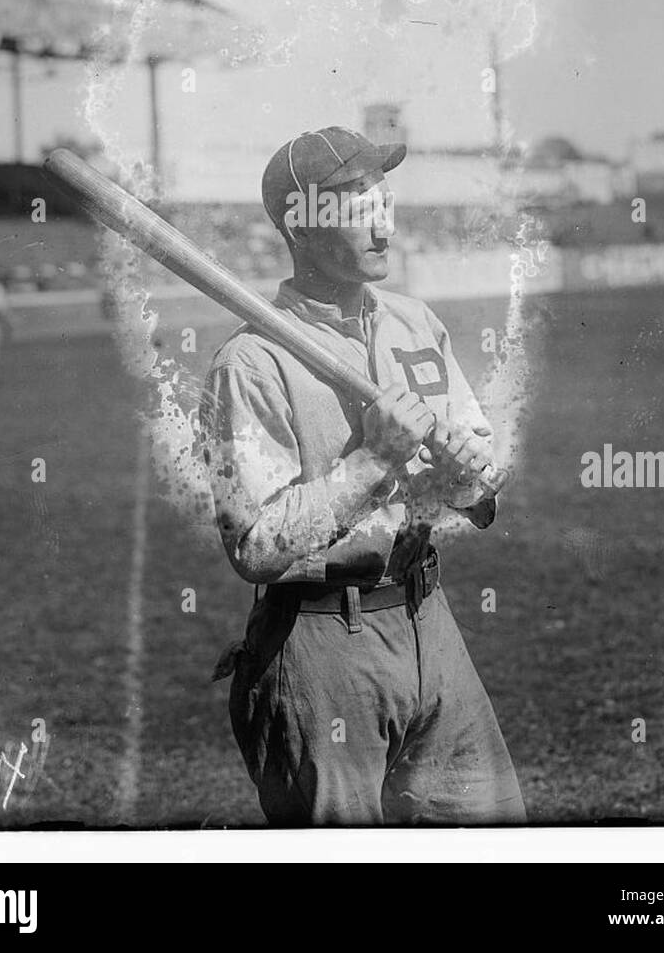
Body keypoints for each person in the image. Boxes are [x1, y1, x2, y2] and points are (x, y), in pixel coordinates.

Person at [200, 127, 525, 826]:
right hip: (320, 647)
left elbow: (476, 484)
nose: (384, 223)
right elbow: (255, 548)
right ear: (303, 228)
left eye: (386, 201)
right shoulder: (250, 364)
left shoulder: (416, 323)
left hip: (427, 618)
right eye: (358, 208)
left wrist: (467, 480)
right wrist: (372, 461)